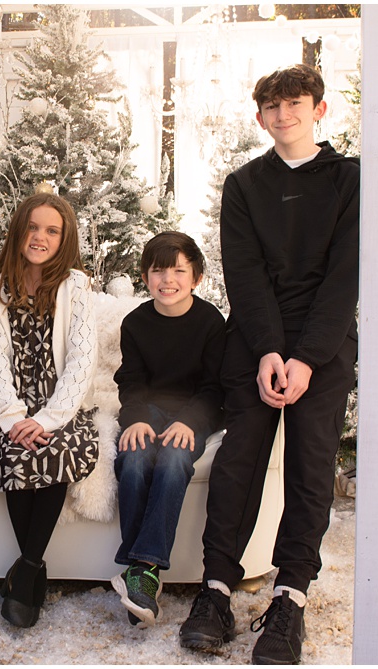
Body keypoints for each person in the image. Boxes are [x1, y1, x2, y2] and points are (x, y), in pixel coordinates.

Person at [178, 64, 359, 665]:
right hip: (255, 346)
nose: (284, 115)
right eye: (272, 107)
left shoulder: (350, 179)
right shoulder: (245, 183)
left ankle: (291, 598)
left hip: (324, 350)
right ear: (260, 117)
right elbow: (245, 277)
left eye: (295, 104)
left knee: (310, 471)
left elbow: (344, 279)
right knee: (238, 466)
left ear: (319, 110)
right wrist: (269, 353)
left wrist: (306, 358)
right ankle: (215, 593)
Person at [0, 192, 99, 628]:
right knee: (13, 450)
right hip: (10, 405)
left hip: (60, 405)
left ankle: (27, 567)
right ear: (19, 231)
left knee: (52, 448)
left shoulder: (76, 286)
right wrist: (12, 420)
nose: (40, 237)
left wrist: (46, 419)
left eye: (52, 230)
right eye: (33, 227)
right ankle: (32, 571)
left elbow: (81, 364)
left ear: (64, 239)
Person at [110, 231, 226, 628]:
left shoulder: (211, 321)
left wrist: (190, 421)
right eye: (158, 271)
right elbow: (131, 382)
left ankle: (140, 568)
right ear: (145, 277)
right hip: (149, 410)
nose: (168, 280)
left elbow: (215, 387)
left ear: (196, 277)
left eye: (179, 270)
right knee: (135, 457)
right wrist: (137, 417)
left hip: (194, 410)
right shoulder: (136, 323)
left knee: (175, 459)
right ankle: (144, 578)